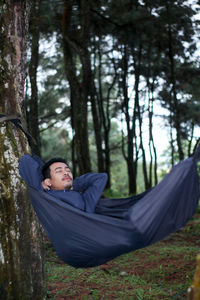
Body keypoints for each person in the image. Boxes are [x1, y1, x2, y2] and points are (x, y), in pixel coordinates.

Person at [19, 154, 108, 213]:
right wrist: (43, 183)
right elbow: (27, 160)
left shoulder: (86, 201)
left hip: (90, 225)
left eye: (68, 170)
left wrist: (73, 184)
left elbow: (101, 177)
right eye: (59, 171)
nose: (66, 173)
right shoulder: (45, 194)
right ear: (48, 182)